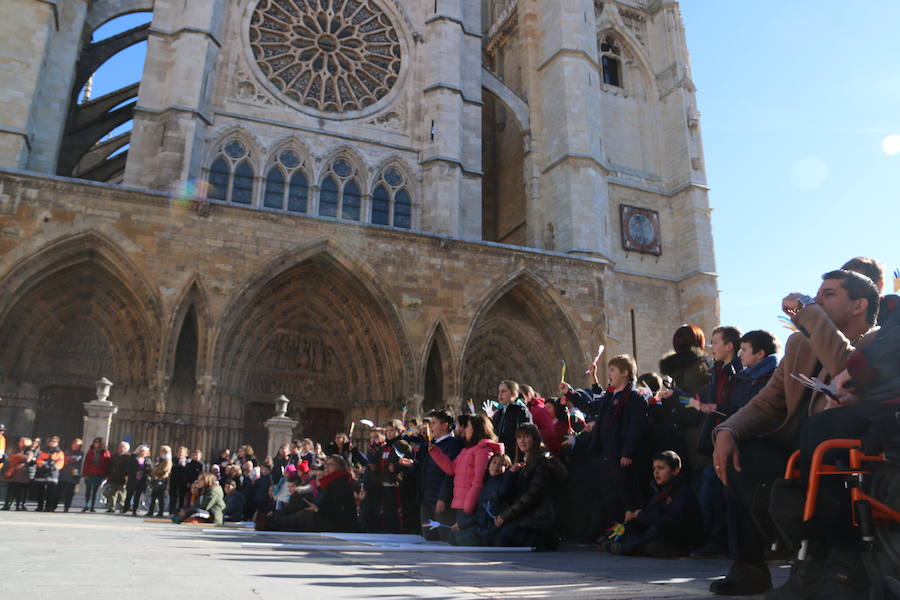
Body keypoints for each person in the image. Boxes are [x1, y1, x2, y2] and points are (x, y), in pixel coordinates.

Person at [711, 270, 880, 596]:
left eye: (828, 294)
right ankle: (749, 568)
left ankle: (819, 561)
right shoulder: (800, 344)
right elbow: (767, 402)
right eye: (817, 295)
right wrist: (728, 429)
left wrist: (811, 315)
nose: (816, 300)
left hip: (838, 450)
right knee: (736, 455)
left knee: (821, 447)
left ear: (859, 305)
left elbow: (847, 363)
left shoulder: (875, 341)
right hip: (795, 443)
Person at [561, 354, 649, 532]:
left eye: (612, 370)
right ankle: (613, 534)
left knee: (626, 496)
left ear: (624, 373)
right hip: (606, 455)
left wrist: (628, 452)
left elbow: (636, 428)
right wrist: (570, 393)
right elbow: (591, 406)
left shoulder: (634, 397)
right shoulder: (610, 396)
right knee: (610, 497)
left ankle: (631, 533)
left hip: (620, 456)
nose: (608, 374)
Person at [693, 326, 742, 558]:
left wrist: (714, 408)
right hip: (714, 441)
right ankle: (716, 540)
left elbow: (738, 406)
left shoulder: (738, 371)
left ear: (729, 346)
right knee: (710, 494)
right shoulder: (717, 371)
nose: (711, 347)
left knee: (722, 495)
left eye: (715, 342)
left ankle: (724, 543)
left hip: (731, 439)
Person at [607, 450, 704, 558]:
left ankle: (626, 548)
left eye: (661, 468)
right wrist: (636, 515)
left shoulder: (682, 491)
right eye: (654, 469)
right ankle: (640, 547)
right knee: (631, 527)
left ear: (676, 470)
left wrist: (642, 516)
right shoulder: (659, 489)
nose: (656, 472)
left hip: (680, 536)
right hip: (660, 531)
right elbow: (653, 513)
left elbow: (672, 520)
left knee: (657, 530)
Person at [429, 414, 503, 542]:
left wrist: (468, 505)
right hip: (461, 505)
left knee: (465, 542)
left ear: (478, 428)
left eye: (468, 426)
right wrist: (435, 452)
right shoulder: (466, 450)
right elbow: (452, 469)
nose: (465, 430)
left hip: (471, 506)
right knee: (456, 541)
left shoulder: (483, 449)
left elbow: (478, 481)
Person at [494, 423, 567, 550]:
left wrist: (506, 515)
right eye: (519, 437)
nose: (522, 440)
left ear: (535, 439)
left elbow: (531, 496)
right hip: (530, 517)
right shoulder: (525, 463)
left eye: (526, 436)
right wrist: (511, 474)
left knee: (504, 536)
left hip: (540, 522)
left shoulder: (543, 463)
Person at [417, 410, 463, 541]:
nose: (430, 426)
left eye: (433, 423)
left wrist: (442, 497)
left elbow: (450, 474)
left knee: (445, 537)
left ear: (445, 425)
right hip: (427, 498)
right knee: (429, 537)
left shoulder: (453, 444)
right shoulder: (432, 445)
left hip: (440, 500)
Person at [490, 380, 530, 458]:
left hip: (513, 454)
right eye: (499, 391)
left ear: (513, 394)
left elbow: (524, 434)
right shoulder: (498, 413)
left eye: (504, 391)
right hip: (499, 454)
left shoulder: (520, 411)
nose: (500, 394)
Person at [34, 435, 64, 511]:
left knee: (51, 492)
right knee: (40, 491)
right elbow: (38, 460)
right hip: (42, 473)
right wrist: (44, 465)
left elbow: (60, 463)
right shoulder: (42, 450)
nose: (52, 443)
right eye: (51, 441)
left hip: (52, 474)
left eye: (54, 441)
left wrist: (52, 467)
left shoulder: (59, 452)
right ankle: (40, 506)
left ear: (57, 443)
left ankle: (48, 507)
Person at [2, 437, 33, 511]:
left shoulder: (29, 452)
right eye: (20, 441)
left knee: (19, 491)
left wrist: (17, 457)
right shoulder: (16, 450)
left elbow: (28, 459)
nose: (20, 443)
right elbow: (10, 458)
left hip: (21, 474)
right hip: (12, 472)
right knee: (10, 490)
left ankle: (18, 506)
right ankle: (7, 505)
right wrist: (19, 458)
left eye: (22, 442)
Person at [81, 437, 109, 512]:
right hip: (90, 474)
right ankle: (86, 505)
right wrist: (85, 474)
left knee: (95, 491)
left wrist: (105, 475)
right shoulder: (90, 451)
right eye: (95, 442)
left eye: (98, 442)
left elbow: (107, 464)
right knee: (88, 491)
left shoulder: (105, 452)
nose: (96, 443)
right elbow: (86, 463)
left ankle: (92, 506)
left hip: (99, 474)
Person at [57, 438, 84, 513]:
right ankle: (53, 506)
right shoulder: (67, 451)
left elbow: (77, 460)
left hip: (73, 476)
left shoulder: (81, 453)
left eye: (78, 445)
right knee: (58, 491)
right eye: (75, 444)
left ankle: (66, 507)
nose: (75, 446)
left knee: (69, 493)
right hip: (63, 474)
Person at [125, 444, 152, 515]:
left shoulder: (148, 460)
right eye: (142, 451)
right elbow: (128, 469)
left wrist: (148, 470)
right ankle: (126, 508)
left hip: (142, 480)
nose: (143, 453)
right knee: (129, 494)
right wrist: (136, 472)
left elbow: (150, 471)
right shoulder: (133, 459)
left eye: (144, 451)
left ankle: (135, 509)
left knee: (138, 495)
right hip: (133, 478)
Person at [105, 441, 131, 512]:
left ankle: (121, 507)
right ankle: (112, 507)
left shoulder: (128, 457)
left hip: (122, 478)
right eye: (119, 446)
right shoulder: (114, 456)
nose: (120, 448)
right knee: (111, 493)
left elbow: (128, 468)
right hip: (113, 477)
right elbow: (110, 466)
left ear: (126, 448)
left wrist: (126, 476)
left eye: (122, 447)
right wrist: (108, 474)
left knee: (121, 494)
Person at [147, 445, 172, 517]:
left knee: (160, 496)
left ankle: (160, 511)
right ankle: (151, 511)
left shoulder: (167, 460)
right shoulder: (161, 459)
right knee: (153, 496)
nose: (160, 452)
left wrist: (155, 470)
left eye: (162, 451)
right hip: (156, 479)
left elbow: (164, 469)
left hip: (162, 479)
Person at [168, 446, 189, 514]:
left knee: (181, 498)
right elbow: (170, 468)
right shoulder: (173, 460)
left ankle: (180, 511)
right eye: (179, 452)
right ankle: (171, 511)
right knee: (173, 497)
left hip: (183, 482)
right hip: (173, 481)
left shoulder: (188, 461)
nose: (180, 454)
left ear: (185, 454)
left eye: (182, 452)